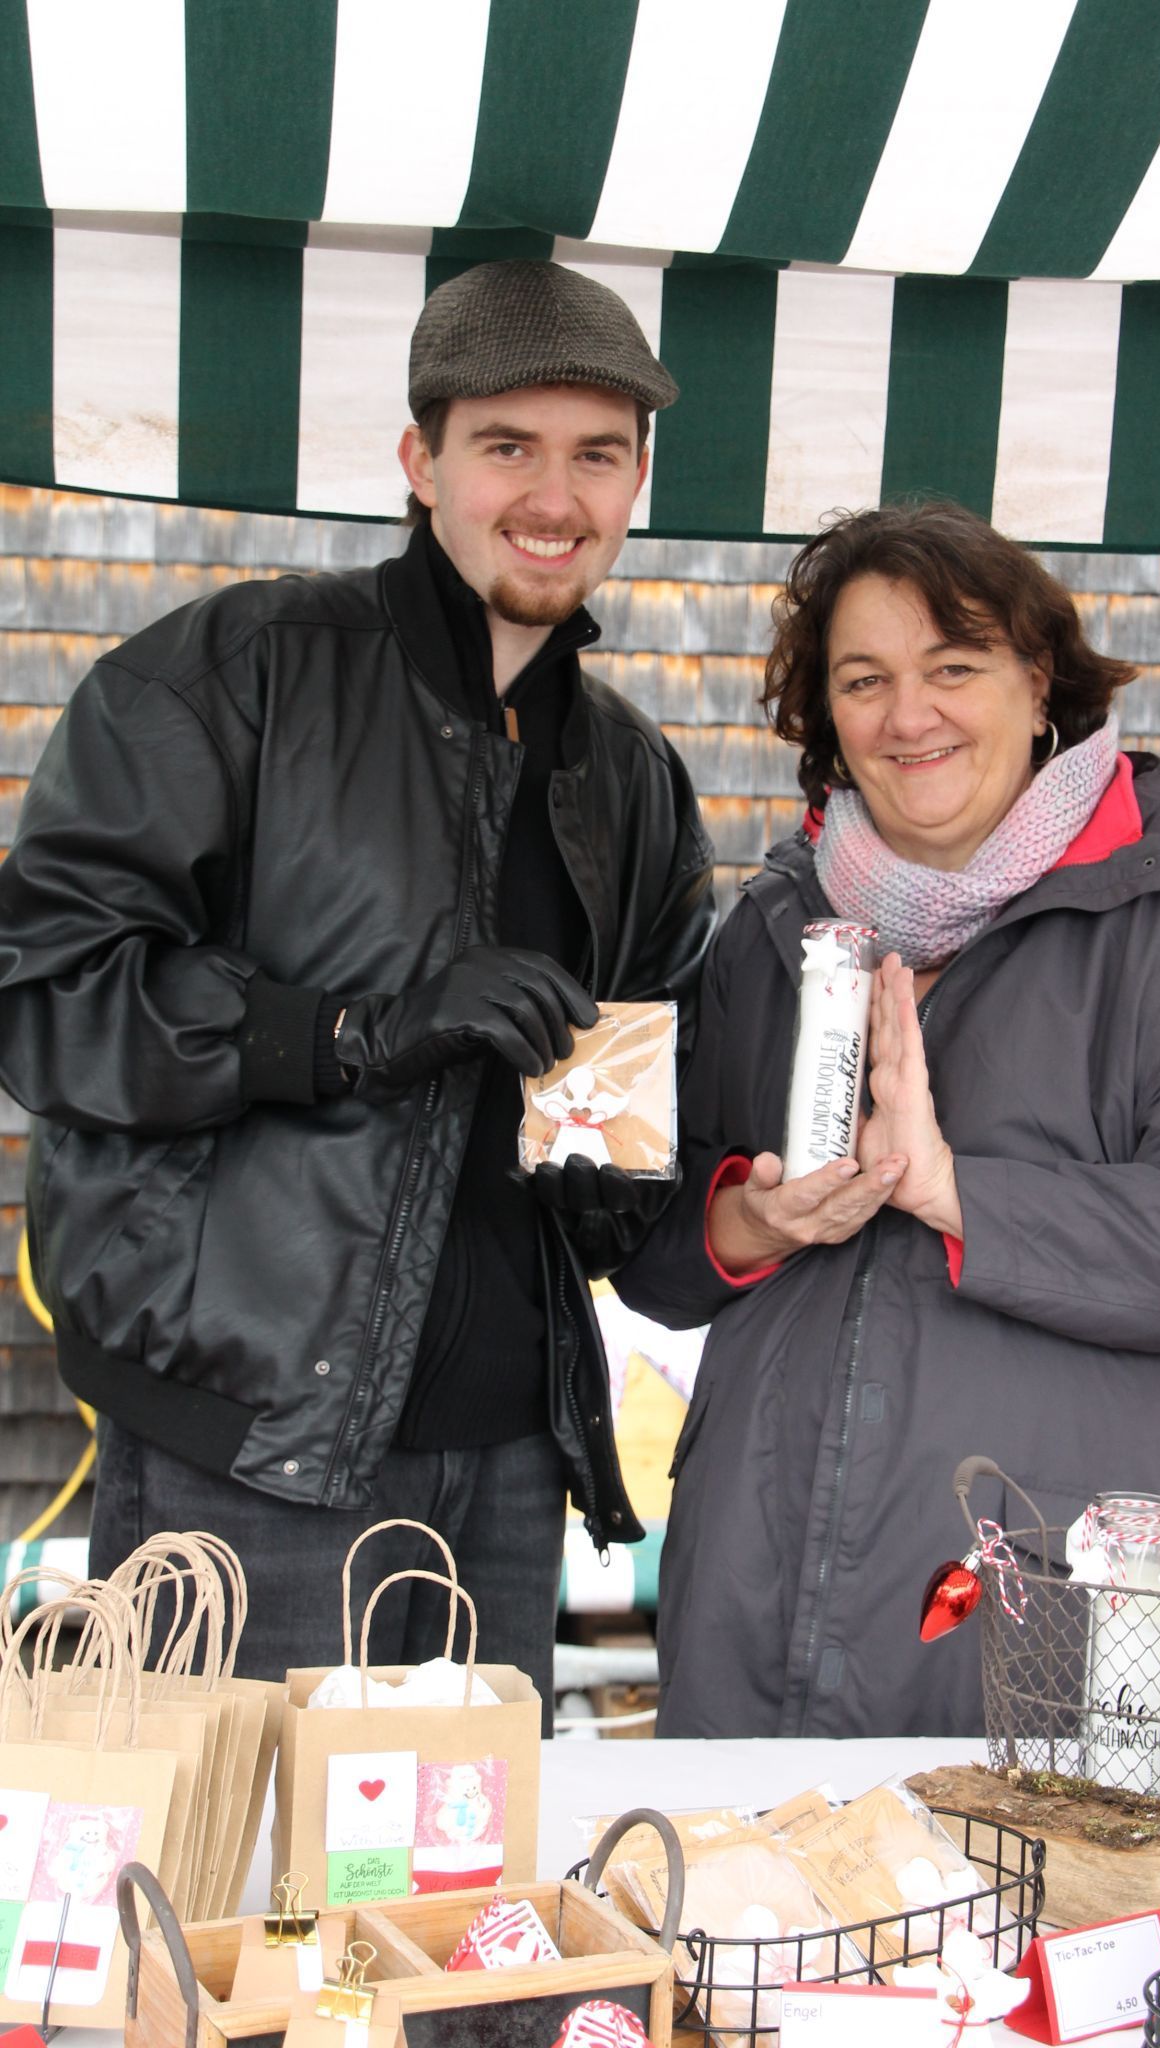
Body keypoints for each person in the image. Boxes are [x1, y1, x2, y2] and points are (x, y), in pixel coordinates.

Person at [0, 261, 716, 1715]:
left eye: (597, 454)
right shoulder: (232, 675)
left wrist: (609, 1180)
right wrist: (350, 1033)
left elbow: (637, 1091)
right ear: (420, 460)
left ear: (638, 478)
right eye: (507, 446)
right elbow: (49, 994)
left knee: (463, 1861)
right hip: (248, 1448)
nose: (554, 496)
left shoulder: (634, 776)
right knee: (236, 1854)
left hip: (509, 1466)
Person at [615, 499, 1160, 1738]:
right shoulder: (774, 932)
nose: (909, 715)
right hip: (754, 1616)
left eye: (953, 666)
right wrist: (750, 1221)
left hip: (1055, 1634)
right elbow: (653, 1250)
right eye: (865, 679)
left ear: (1039, 681)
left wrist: (957, 1193)